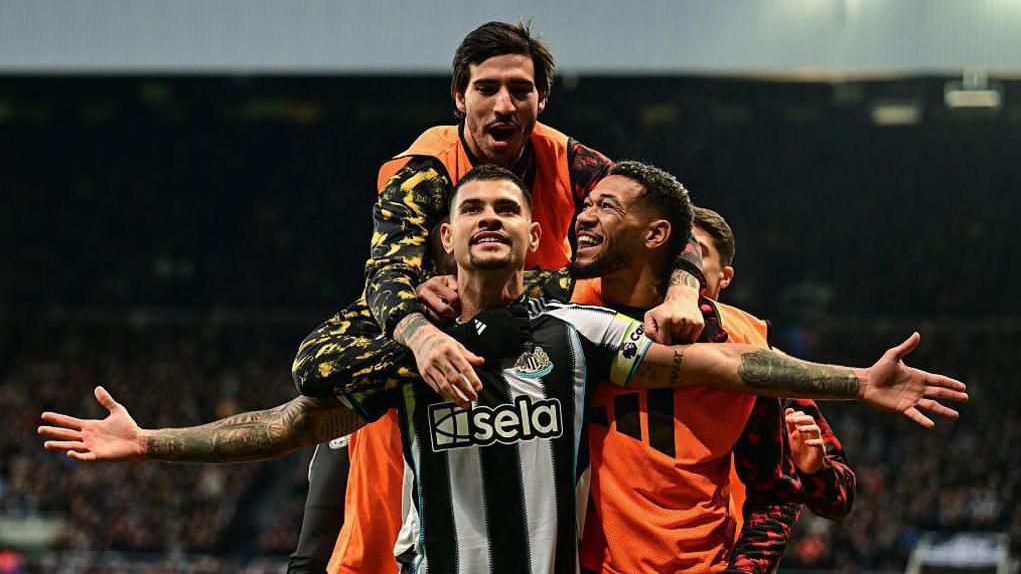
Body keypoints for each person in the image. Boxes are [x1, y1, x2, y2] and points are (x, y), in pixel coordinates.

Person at [40, 165, 967, 574]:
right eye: (470, 206)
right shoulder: (405, 349)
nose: (488, 216)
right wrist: (148, 441)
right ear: (442, 235)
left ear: (535, 235)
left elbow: (719, 361)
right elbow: (287, 424)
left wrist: (851, 380)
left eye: (507, 207)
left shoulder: (577, 335)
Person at [293, 19, 706, 573]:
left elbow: (662, 218)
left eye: (520, 89)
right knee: (351, 542)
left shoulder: (567, 160)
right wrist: (421, 333)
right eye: (487, 88)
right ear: (459, 97)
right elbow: (385, 279)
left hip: (538, 364)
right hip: (433, 360)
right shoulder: (425, 169)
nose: (504, 104)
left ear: (541, 100)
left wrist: (682, 287)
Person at [691, 206, 857, 527]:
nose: (683, 265)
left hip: (728, 554)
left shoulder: (760, 359)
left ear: (724, 277)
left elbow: (841, 497)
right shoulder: (622, 340)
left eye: (697, 253)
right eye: (675, 253)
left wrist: (813, 468)